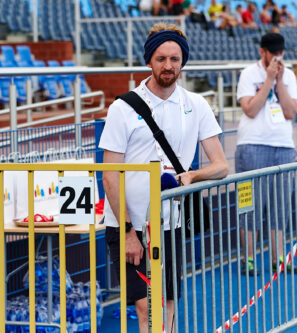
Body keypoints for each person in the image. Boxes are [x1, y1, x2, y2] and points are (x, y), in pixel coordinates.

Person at [99, 22, 229, 332]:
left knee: (167, 305)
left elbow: (222, 165)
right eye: (161, 59)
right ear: (149, 61)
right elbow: (109, 173)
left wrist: (194, 175)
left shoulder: (196, 105)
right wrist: (129, 230)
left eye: (174, 59)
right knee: (146, 306)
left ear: (183, 62)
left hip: (170, 221)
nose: (168, 66)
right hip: (128, 225)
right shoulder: (123, 108)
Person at [235, 32, 297, 275]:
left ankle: (279, 258)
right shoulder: (248, 73)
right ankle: (249, 258)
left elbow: (291, 111)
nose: (277, 60)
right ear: (262, 52)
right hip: (253, 144)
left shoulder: (289, 75)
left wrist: (279, 81)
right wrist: (269, 80)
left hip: (283, 145)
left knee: (280, 206)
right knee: (250, 205)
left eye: (280, 55)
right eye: (273, 55)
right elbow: (250, 109)